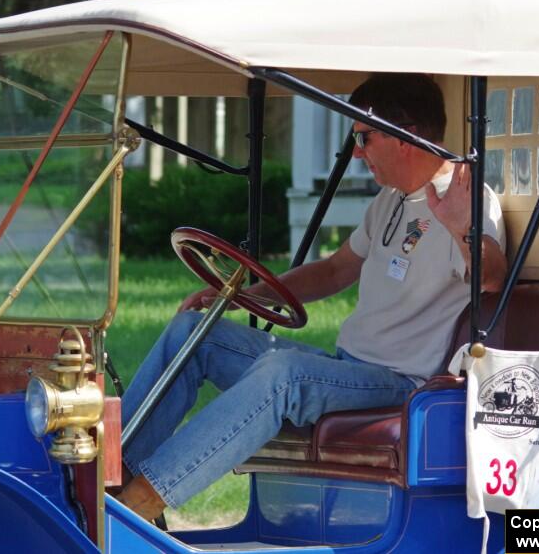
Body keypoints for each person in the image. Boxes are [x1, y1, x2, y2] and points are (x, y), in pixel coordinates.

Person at [116, 73, 507, 520]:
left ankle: (140, 504)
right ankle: (110, 476)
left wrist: (463, 227)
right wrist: (245, 295)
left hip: (401, 383)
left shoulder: (468, 201)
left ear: (406, 138)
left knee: (284, 373)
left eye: (364, 137)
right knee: (193, 332)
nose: (358, 152)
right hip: (347, 369)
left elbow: (490, 278)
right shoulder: (391, 200)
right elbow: (337, 268)